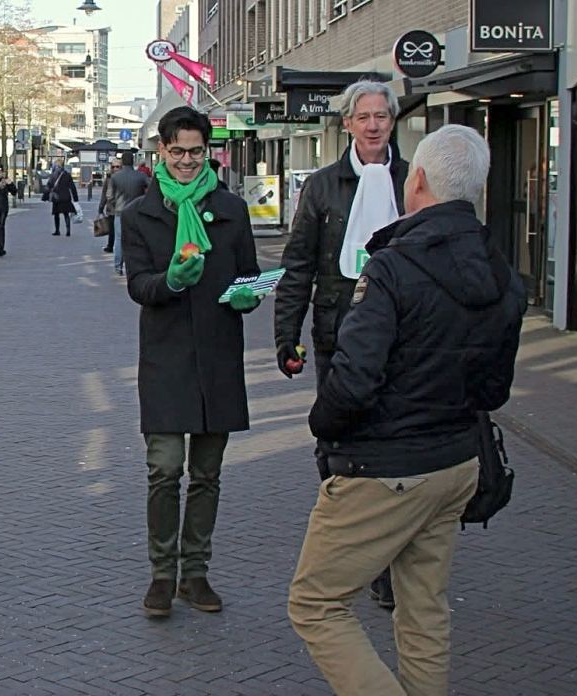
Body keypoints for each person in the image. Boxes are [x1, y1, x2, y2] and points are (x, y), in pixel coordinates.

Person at [288, 124, 525, 696]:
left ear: (415, 180)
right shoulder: (502, 273)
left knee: (316, 602)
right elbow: (494, 388)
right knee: (424, 610)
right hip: (457, 461)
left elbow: (353, 380)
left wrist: (324, 427)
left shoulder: (392, 268)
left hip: (385, 466)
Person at [120, 106, 262, 618]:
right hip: (166, 357)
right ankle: (162, 573)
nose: (186, 160)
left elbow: (249, 274)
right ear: (161, 151)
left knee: (207, 472)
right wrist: (171, 282)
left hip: (217, 356)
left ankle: (196, 573)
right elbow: (139, 285)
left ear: (208, 151)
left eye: (195, 152)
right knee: (164, 470)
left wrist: (249, 295)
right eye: (177, 151)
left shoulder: (232, 209)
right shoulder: (139, 214)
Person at [273, 80, 409, 610]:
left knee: (394, 442)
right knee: (338, 439)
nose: (373, 126)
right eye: (364, 117)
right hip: (338, 333)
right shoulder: (323, 186)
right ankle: (345, 540)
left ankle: (387, 561)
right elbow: (298, 265)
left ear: (392, 121)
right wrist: (286, 335)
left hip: (403, 336)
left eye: (382, 116)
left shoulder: (412, 179)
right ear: (347, 123)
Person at [106, 152, 150, 276]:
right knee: (137, 239)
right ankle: (135, 266)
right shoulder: (141, 176)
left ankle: (118, 266)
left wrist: (114, 205)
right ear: (133, 161)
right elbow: (152, 189)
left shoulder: (115, 177)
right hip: (137, 212)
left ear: (122, 162)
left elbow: (109, 196)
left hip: (120, 212)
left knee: (119, 240)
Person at [44, 160, 78, 236]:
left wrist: (45, 196)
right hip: (66, 197)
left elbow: (48, 186)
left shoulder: (53, 175)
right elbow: (72, 187)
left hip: (57, 198)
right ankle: (68, 231)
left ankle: (57, 230)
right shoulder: (67, 175)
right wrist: (75, 198)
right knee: (66, 214)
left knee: (56, 215)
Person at [97, 160, 117, 254]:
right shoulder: (109, 178)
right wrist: (101, 207)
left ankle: (116, 247)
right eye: (113, 167)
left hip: (123, 208)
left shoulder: (124, 177)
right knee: (112, 229)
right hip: (111, 208)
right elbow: (104, 193)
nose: (115, 169)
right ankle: (110, 246)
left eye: (117, 166)